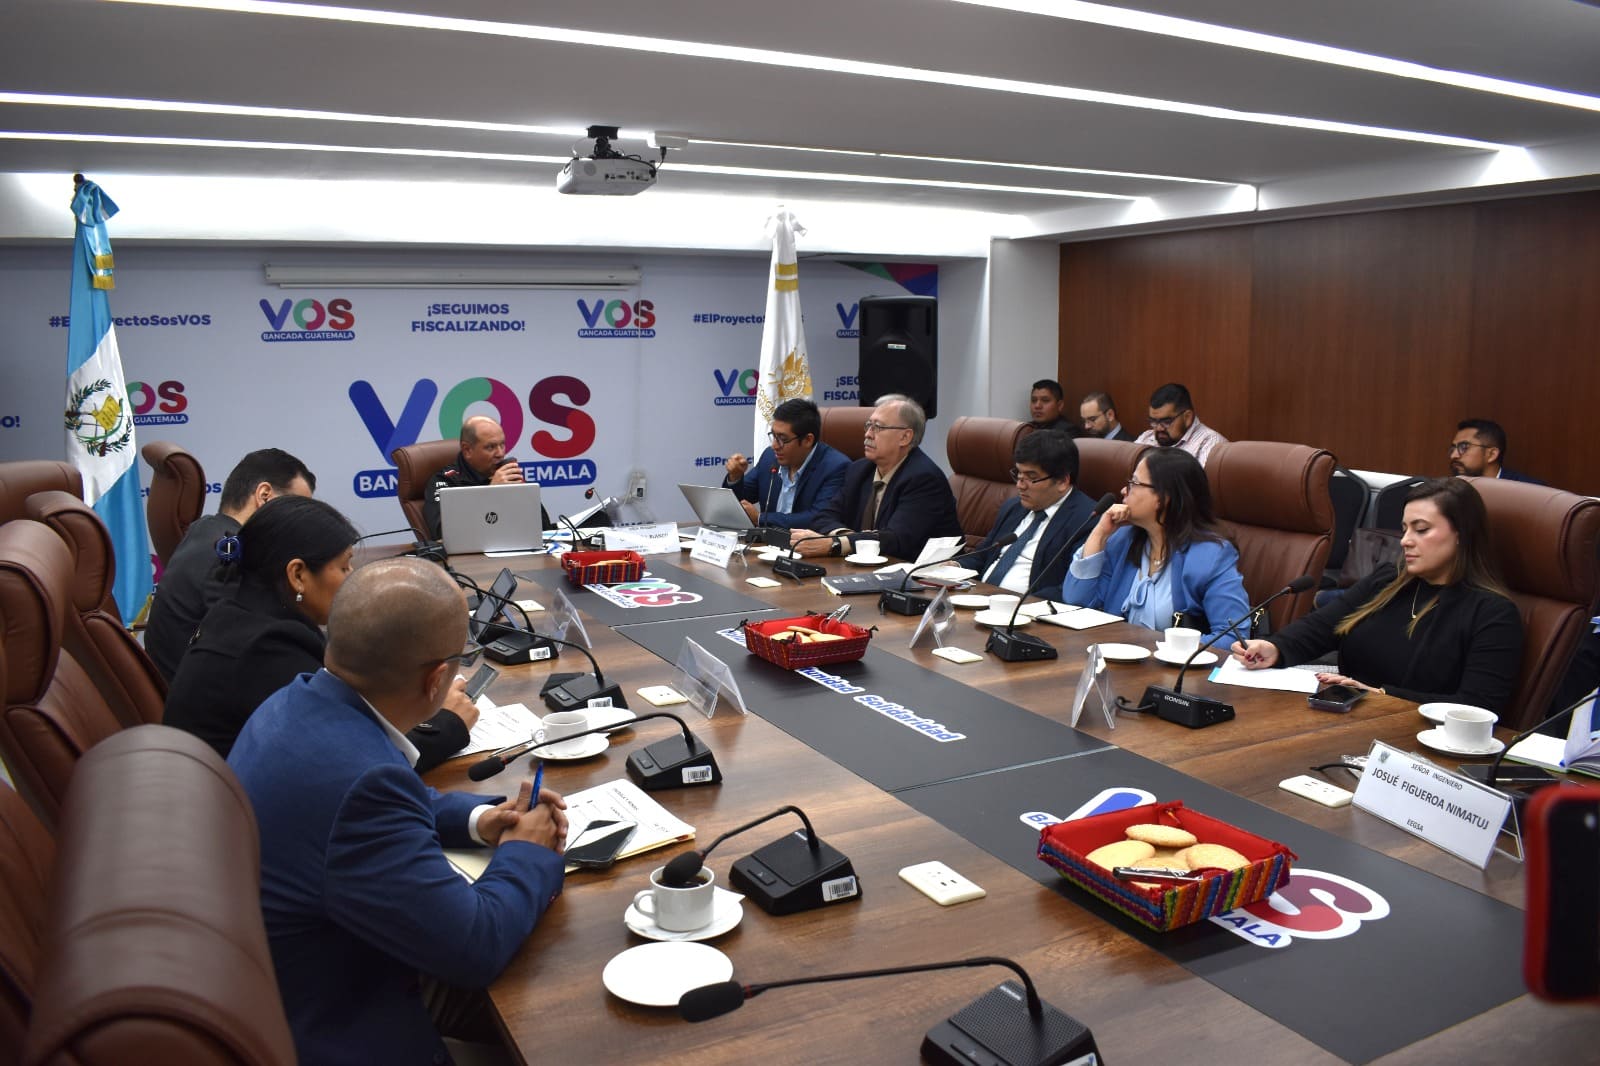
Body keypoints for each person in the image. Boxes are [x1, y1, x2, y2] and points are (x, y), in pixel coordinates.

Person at [228, 556, 567, 1066]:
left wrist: (482, 820)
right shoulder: (363, 787)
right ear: (436, 680)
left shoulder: (295, 702)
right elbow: (475, 947)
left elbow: (385, 800)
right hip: (339, 1029)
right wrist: (527, 850)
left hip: (276, 987)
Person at [164, 496, 475, 771]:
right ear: (298, 574)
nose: (352, 579)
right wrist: (449, 723)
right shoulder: (266, 649)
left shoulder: (242, 612)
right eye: (344, 567)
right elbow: (351, 757)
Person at [1231, 477, 1523, 712]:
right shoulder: (1389, 579)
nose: (1405, 541)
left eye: (1421, 530)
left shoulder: (1492, 614)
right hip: (1344, 716)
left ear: (1462, 535)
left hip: (1414, 742)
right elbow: (1322, 626)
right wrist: (1276, 648)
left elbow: (1478, 706)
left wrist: (1380, 695)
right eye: (1405, 529)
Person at [144, 447, 315, 681]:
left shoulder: (205, 530)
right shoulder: (238, 561)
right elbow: (258, 650)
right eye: (297, 508)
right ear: (264, 495)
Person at [1060, 447, 1247, 648]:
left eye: (1133, 483)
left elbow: (1233, 637)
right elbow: (1078, 604)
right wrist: (1099, 534)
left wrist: (1163, 651)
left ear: (1163, 497)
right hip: (1115, 658)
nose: (1123, 490)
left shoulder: (1210, 554)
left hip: (1173, 665)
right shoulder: (1123, 539)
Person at [791, 394, 962, 560]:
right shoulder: (859, 470)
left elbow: (896, 539)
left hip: (923, 571)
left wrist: (836, 544)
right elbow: (823, 517)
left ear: (905, 437)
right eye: (868, 425)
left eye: (878, 427)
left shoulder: (924, 478)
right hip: (868, 568)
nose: (868, 434)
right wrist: (850, 538)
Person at [966, 430, 1098, 595]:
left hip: (1027, 606)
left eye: (1031, 477)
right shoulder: (1013, 507)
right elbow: (982, 556)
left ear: (1062, 481)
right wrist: (952, 567)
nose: (1020, 485)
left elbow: (1069, 589)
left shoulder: (1087, 520)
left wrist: (1021, 605)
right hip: (978, 598)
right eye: (1018, 474)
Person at [723, 398, 850, 529]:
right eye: (773, 436)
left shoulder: (835, 467)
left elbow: (819, 518)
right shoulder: (769, 457)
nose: (774, 445)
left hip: (805, 541)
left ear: (808, 440)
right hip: (767, 540)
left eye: (782, 439)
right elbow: (740, 500)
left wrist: (760, 518)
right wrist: (735, 478)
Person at [424, 415, 553, 541]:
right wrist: (491, 493)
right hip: (473, 554)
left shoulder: (508, 477)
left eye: (502, 445)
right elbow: (443, 533)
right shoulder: (445, 481)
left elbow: (544, 529)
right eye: (490, 447)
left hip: (516, 548)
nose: (500, 454)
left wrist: (524, 493)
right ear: (467, 450)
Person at [1133, 382, 1227, 466]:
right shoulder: (1146, 438)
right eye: (1153, 421)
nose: (1158, 428)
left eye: (1166, 422)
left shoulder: (1211, 443)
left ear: (1187, 417)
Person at [1449, 419, 1543, 484]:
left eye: (1464, 447)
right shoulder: (1451, 491)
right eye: (1453, 448)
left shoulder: (1529, 490)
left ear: (1491, 454)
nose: (1453, 455)